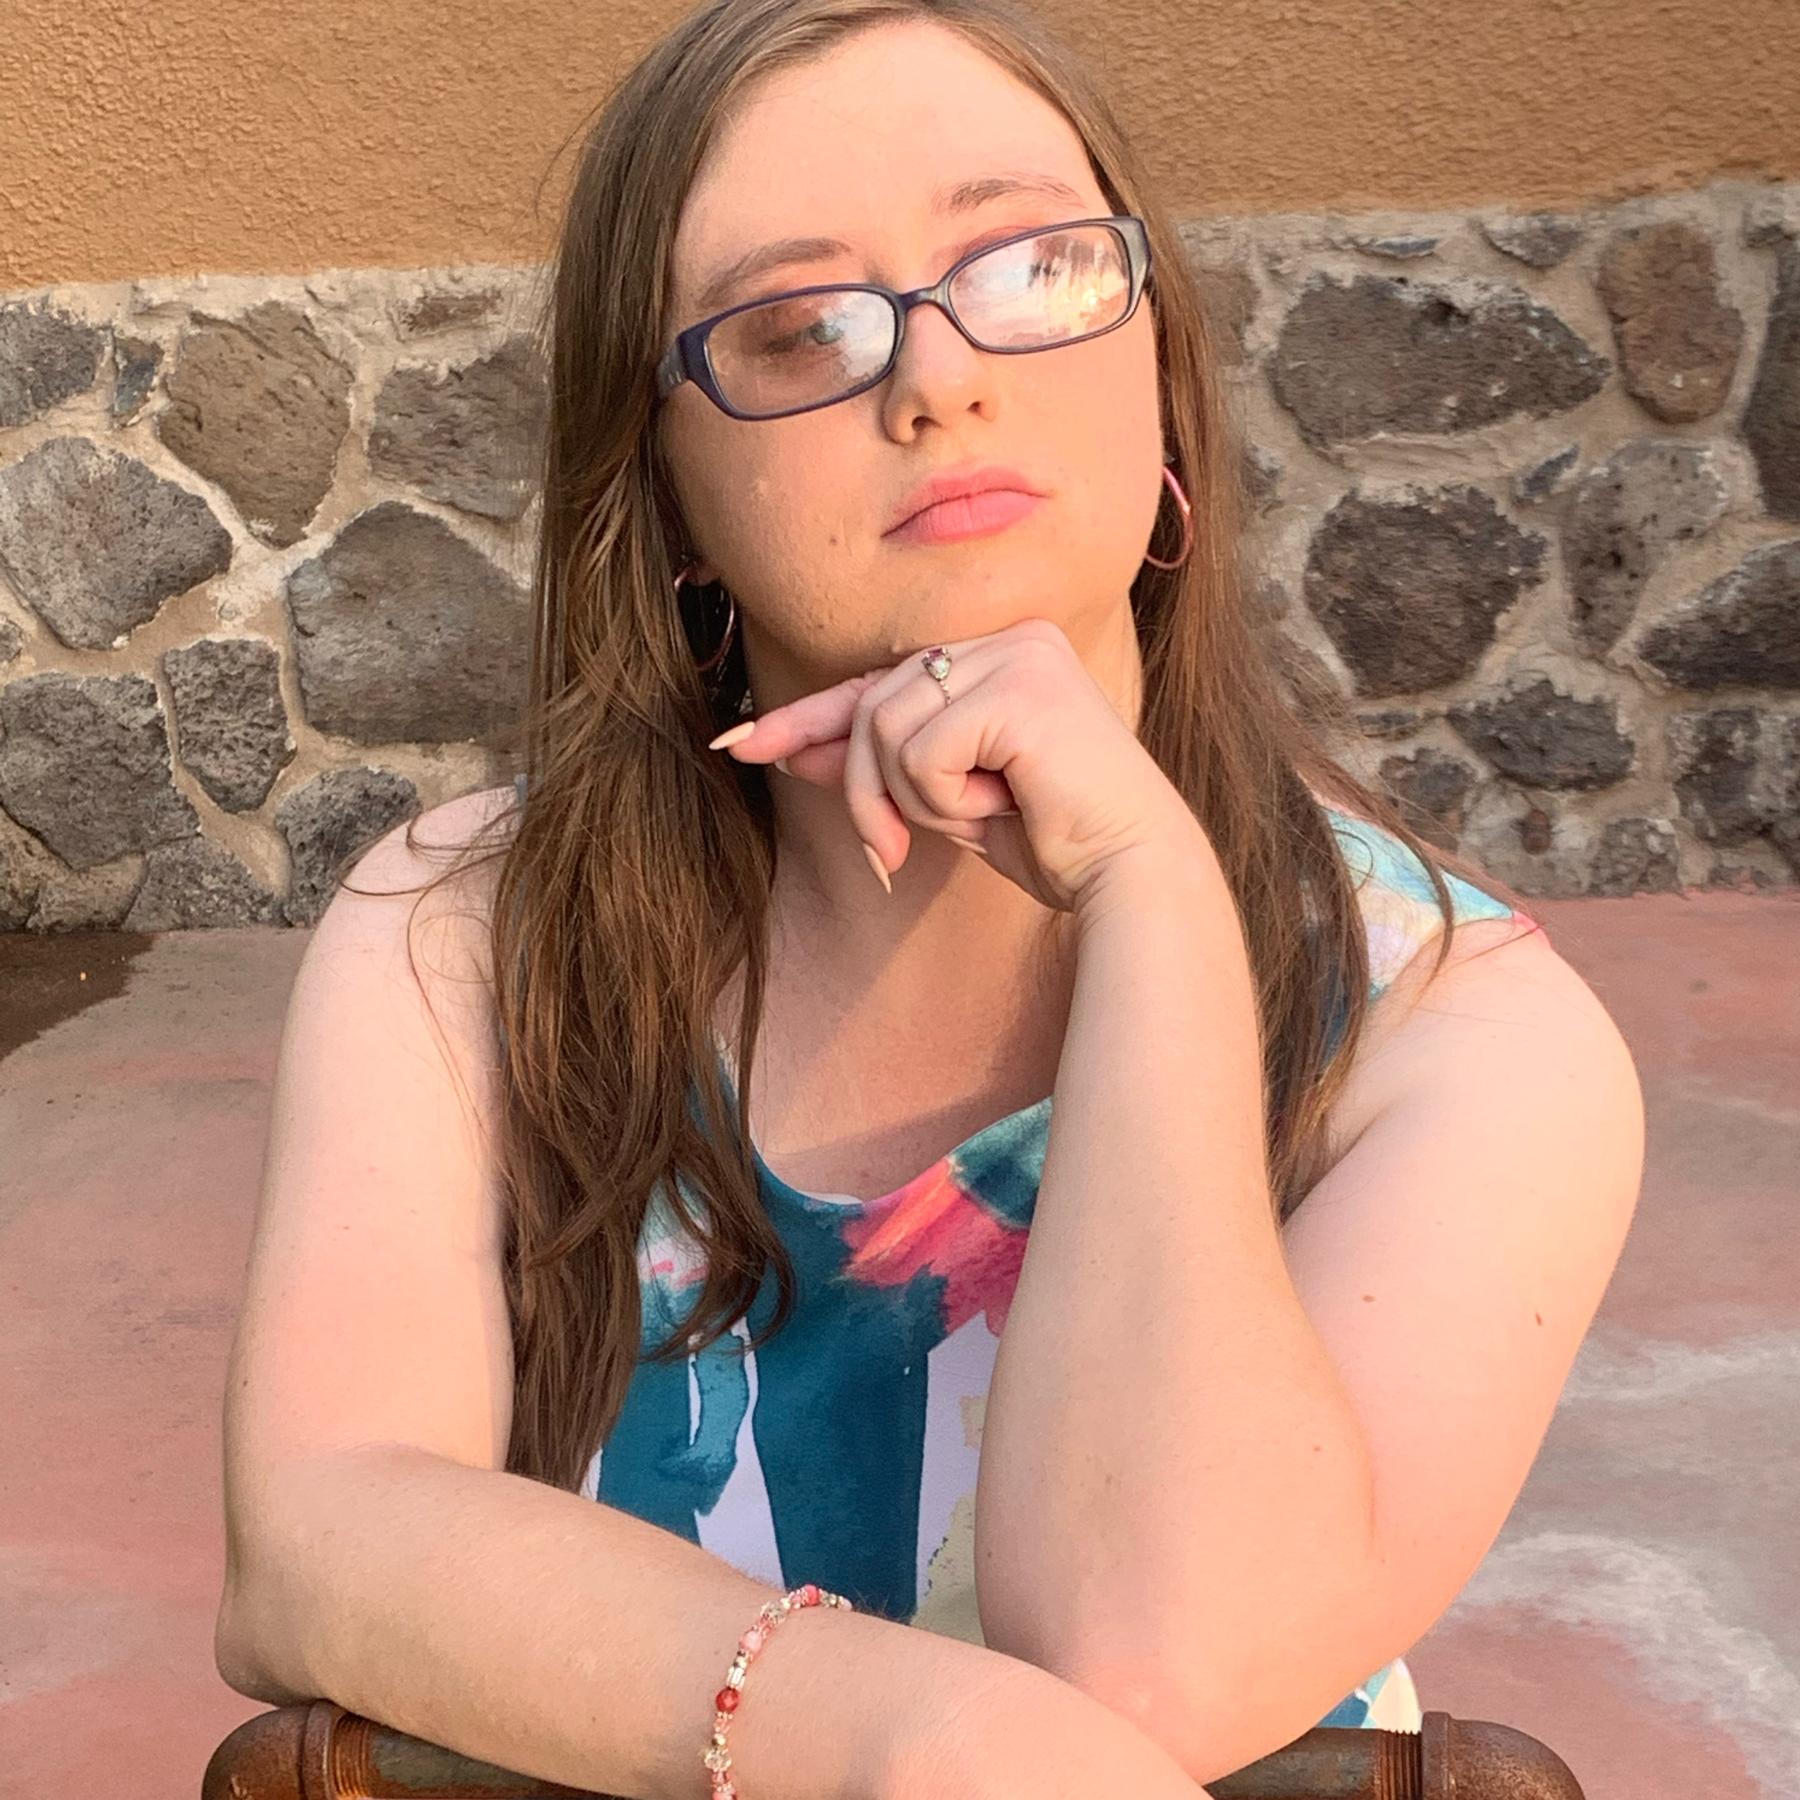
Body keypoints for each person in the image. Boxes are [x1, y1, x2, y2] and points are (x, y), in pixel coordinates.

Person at [215, 2, 1645, 1796]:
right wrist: (909, 1732)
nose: (939, 381)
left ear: (1160, 376)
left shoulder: (1462, 1024)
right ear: (663, 489)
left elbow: (1159, 1662)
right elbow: (317, 1534)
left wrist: (1153, 908)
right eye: (798, 325)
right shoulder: (468, 937)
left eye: (1035, 269)